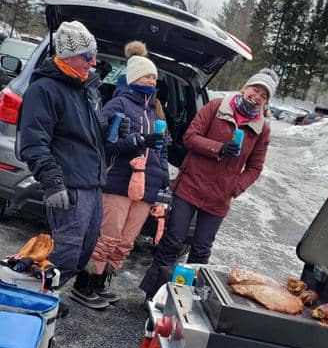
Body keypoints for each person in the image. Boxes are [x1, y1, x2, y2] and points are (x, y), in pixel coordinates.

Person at [138, 68, 279, 299]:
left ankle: (185, 301)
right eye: (256, 89)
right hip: (191, 185)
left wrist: (234, 187)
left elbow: (255, 168)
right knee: (172, 242)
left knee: (201, 252)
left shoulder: (261, 128)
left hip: (218, 197)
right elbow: (190, 137)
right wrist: (219, 148)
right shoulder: (216, 107)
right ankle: (153, 295)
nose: (258, 96)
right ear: (245, 87)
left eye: (264, 95)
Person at [71, 40, 169, 309]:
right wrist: (138, 142)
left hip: (145, 188)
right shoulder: (119, 104)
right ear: (135, 77)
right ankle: (84, 283)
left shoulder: (155, 110)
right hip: (118, 182)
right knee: (107, 237)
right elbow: (102, 143)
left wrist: (162, 178)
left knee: (126, 241)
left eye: (154, 76)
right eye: (147, 75)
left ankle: (101, 283)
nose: (152, 80)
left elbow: (163, 149)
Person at [20, 20, 109, 309]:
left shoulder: (84, 89)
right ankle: (31, 298)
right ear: (67, 55)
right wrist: (52, 181)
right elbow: (34, 141)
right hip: (69, 185)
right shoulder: (44, 89)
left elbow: (89, 139)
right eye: (87, 56)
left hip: (93, 185)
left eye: (94, 54)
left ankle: (47, 293)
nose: (93, 62)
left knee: (83, 251)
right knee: (66, 252)